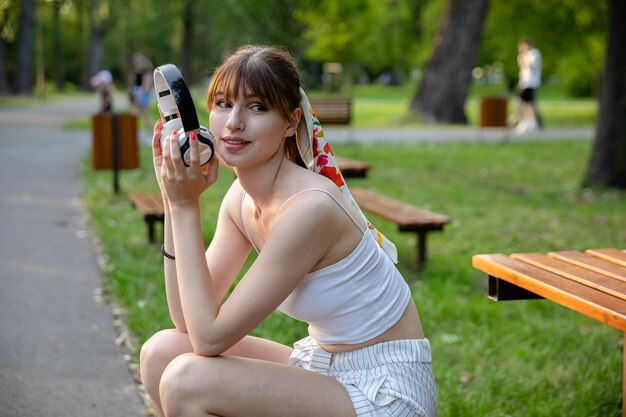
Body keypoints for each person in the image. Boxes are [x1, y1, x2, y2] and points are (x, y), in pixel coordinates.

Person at [139, 45, 437, 417]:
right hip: (324, 367)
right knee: (161, 353)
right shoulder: (241, 200)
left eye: (257, 107)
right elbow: (187, 319)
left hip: (384, 392)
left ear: (291, 122)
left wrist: (186, 206)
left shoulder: (309, 209)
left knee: (186, 379)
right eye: (223, 104)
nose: (234, 122)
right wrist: (173, 198)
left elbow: (210, 337)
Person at [514, 37, 542, 135]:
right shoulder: (523, 55)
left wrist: (524, 59)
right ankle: (526, 121)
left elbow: (531, 66)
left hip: (531, 82)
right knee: (522, 103)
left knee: (528, 103)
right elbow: (522, 71)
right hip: (524, 83)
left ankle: (531, 122)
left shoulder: (534, 53)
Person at [130, 52, 154, 140]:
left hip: (142, 94)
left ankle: (150, 135)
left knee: (145, 115)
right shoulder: (136, 70)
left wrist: (140, 95)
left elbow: (146, 85)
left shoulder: (146, 71)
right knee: (135, 114)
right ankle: (134, 134)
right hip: (137, 92)